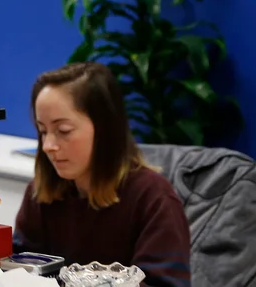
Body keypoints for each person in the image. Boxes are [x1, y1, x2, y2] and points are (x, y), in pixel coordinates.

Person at [14, 63, 191, 287]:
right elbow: (18, 268)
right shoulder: (41, 193)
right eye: (43, 131)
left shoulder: (154, 199)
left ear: (104, 129)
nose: (48, 145)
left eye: (64, 131)